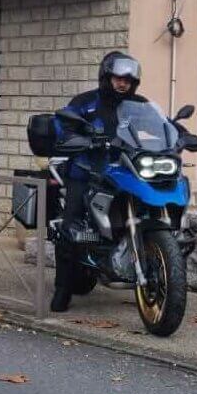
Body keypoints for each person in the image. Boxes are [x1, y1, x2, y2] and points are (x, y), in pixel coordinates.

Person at [50, 50, 145, 312]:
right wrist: (78, 136)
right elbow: (62, 123)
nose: (123, 83)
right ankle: (62, 290)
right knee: (71, 229)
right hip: (88, 172)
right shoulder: (86, 102)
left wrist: (177, 134)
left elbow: (160, 124)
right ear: (107, 77)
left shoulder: (140, 105)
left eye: (127, 79)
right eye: (118, 78)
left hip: (126, 173)